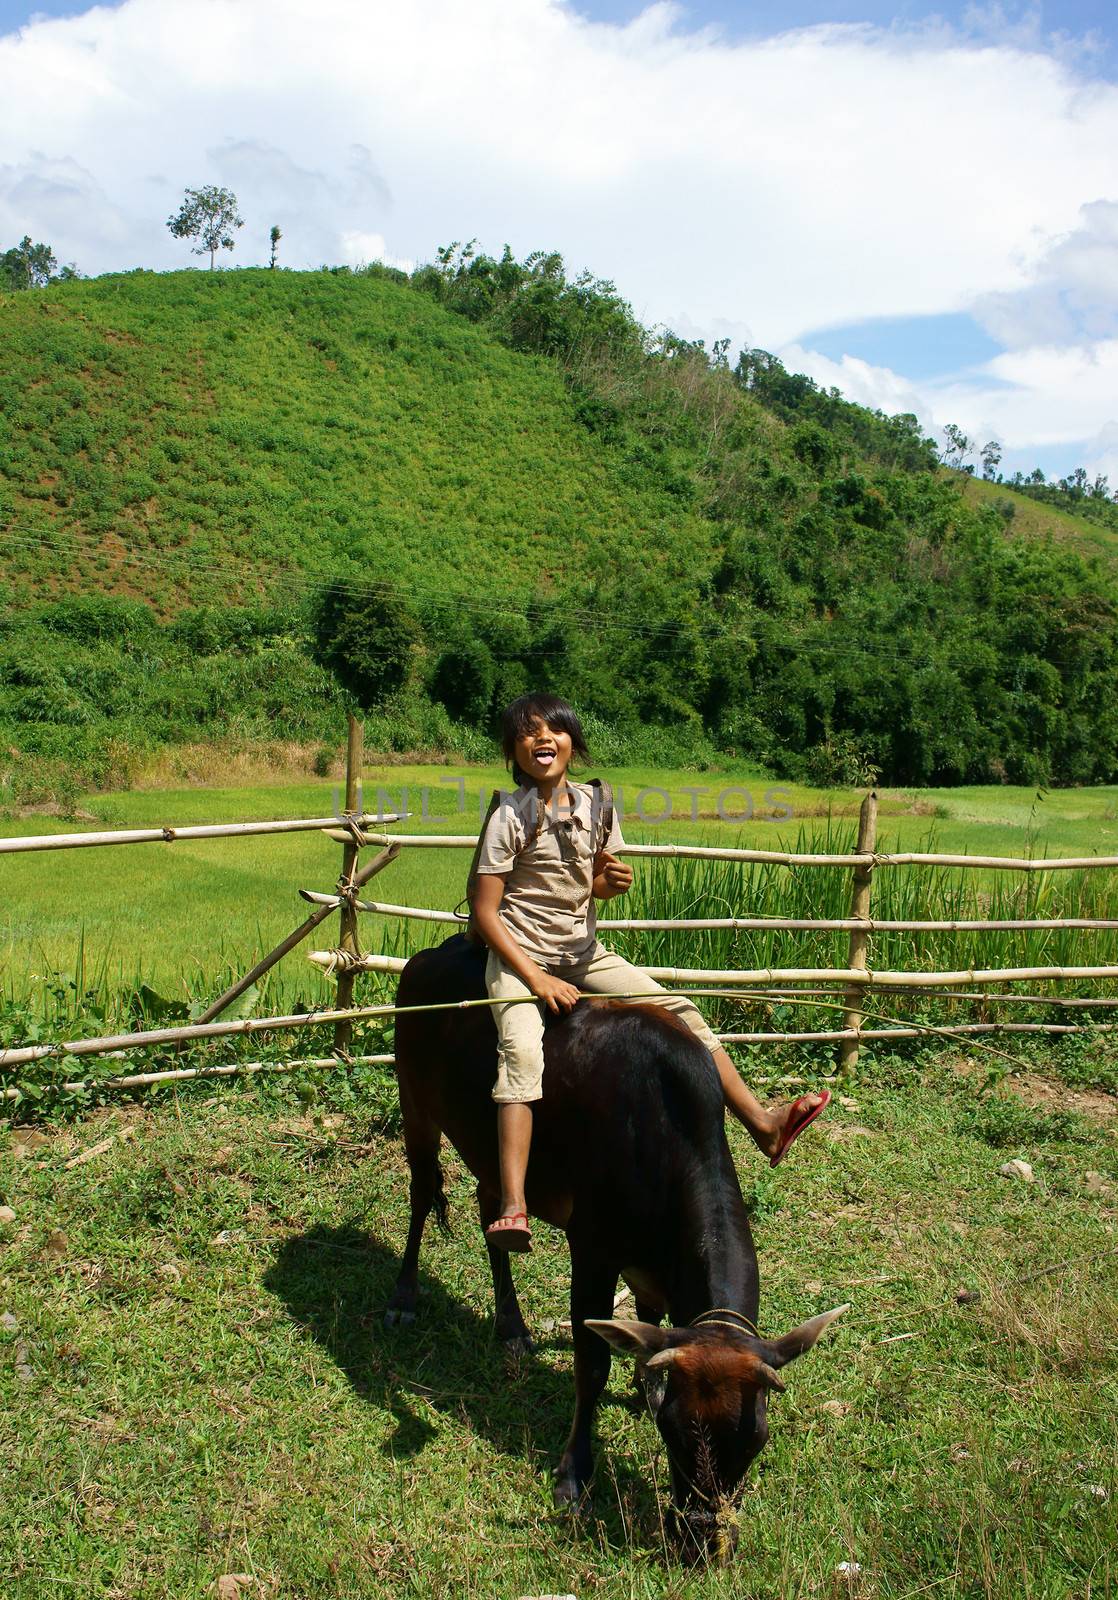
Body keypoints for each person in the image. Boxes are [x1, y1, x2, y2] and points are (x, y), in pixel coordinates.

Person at [472, 692, 829, 1252]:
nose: (543, 739)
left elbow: (584, 887)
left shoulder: (598, 805)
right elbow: (485, 913)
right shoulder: (508, 814)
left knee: (678, 1011)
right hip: (518, 955)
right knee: (521, 1049)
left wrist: (603, 888)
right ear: (513, 751)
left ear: (573, 742)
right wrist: (536, 980)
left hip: (582, 952)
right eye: (529, 733)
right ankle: (513, 1204)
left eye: (555, 730)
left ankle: (763, 1122)